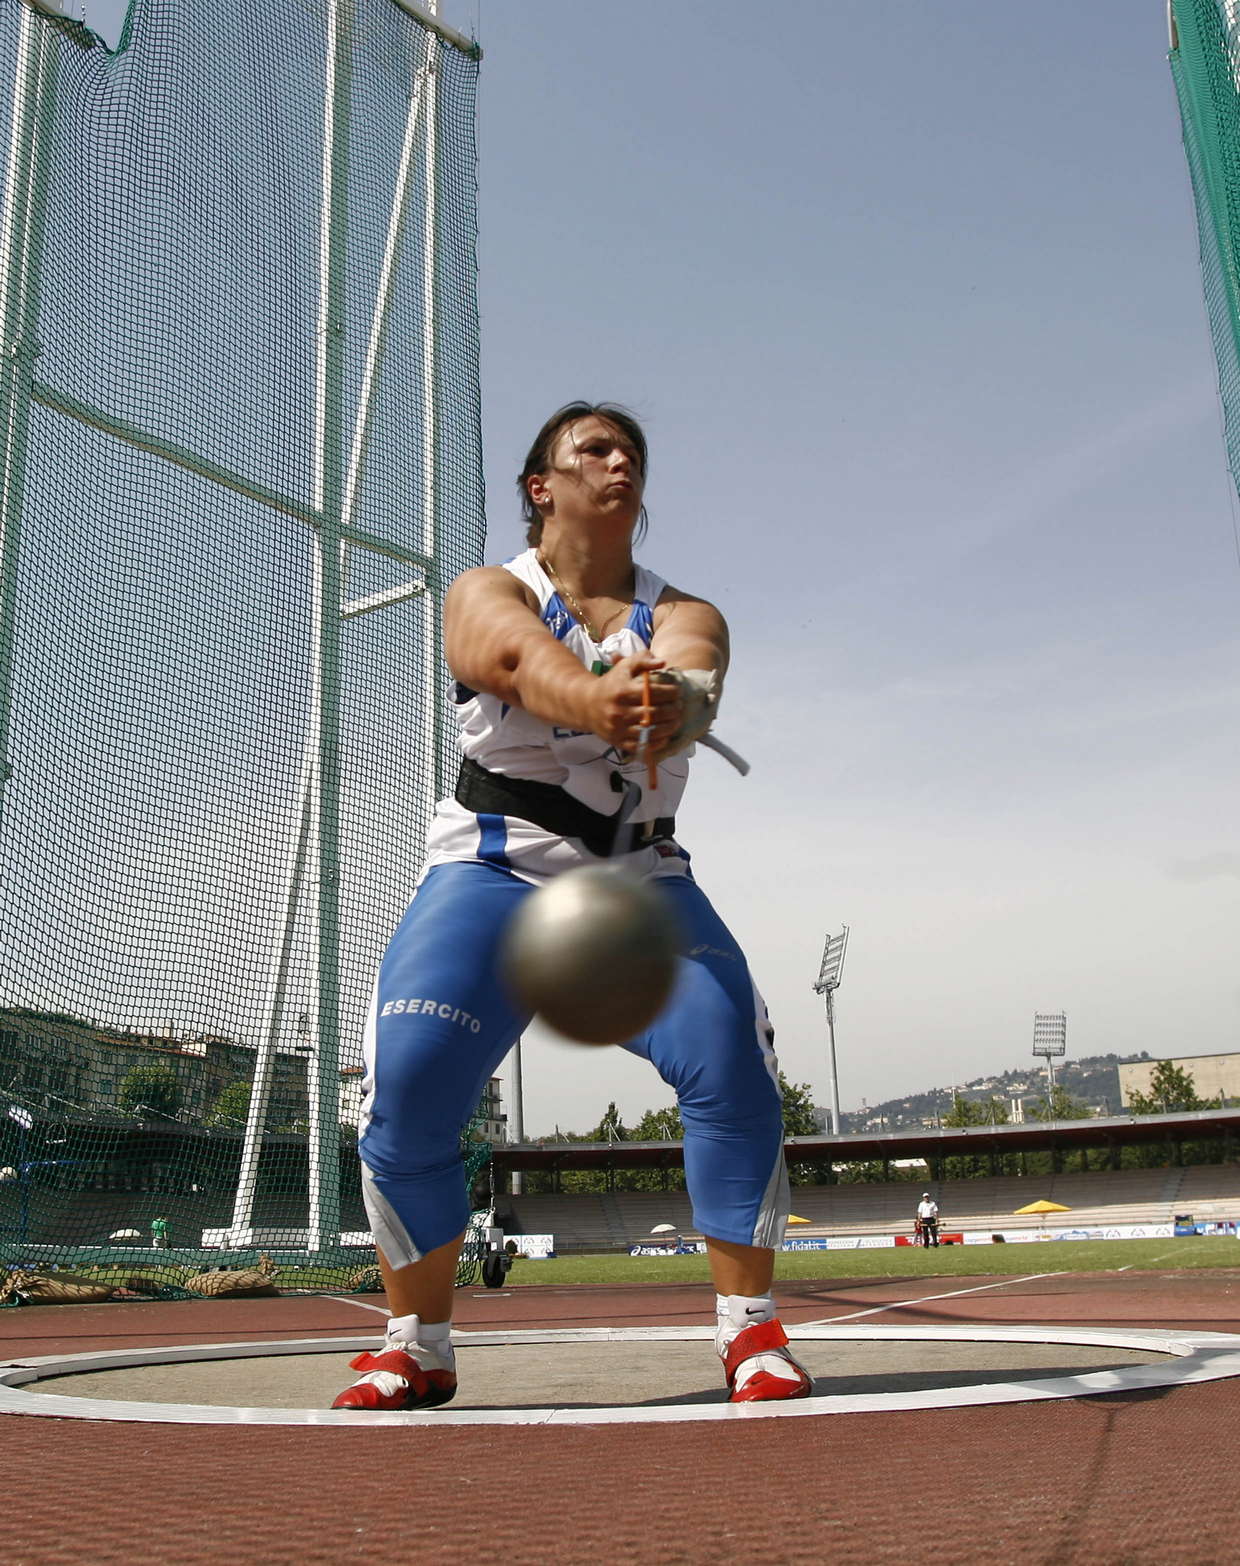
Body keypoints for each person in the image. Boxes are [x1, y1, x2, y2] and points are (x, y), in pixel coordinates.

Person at [332, 402, 810, 1411]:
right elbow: (506, 655)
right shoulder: (486, 589)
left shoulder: (684, 610)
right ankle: (417, 1341)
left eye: (630, 449)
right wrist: (595, 698)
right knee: (403, 1084)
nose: (619, 458)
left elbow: (696, 667)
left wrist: (675, 699)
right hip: (492, 869)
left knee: (734, 1060)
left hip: (638, 884)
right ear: (541, 486)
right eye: (593, 448)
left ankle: (750, 1329)